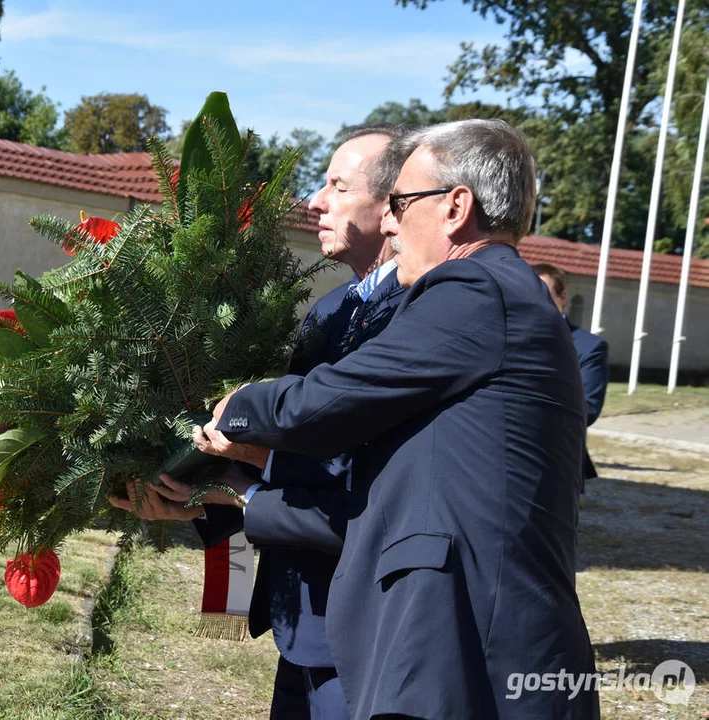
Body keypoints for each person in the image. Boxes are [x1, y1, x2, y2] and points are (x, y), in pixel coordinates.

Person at [196, 120, 599, 719]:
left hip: (477, 646)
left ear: (456, 206)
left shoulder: (476, 289)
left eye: (403, 204)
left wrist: (239, 405)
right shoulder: (497, 292)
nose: (389, 221)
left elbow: (328, 401)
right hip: (468, 641)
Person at [111, 124, 411, 720]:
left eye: (337, 186)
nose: (316, 202)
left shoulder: (415, 315)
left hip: (363, 622)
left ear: (392, 207)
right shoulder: (330, 309)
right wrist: (194, 496)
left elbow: (369, 464)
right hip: (299, 613)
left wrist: (253, 459)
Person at [534, 262, 608, 486]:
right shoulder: (502, 335)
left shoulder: (589, 347)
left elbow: (588, 407)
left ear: (562, 297)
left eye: (544, 293)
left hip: (557, 461)